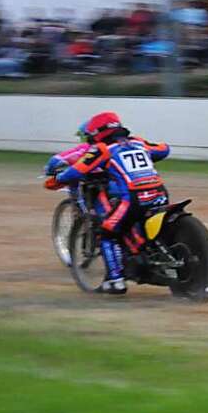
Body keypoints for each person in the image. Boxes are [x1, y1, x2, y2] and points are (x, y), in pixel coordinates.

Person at [45, 112, 170, 295]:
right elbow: (164, 149)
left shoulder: (102, 149)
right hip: (160, 194)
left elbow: (76, 171)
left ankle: (115, 281)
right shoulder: (138, 142)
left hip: (133, 198)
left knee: (106, 231)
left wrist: (58, 180)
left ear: (97, 133)